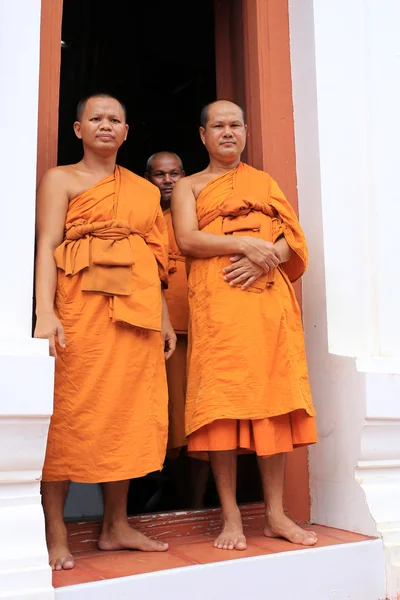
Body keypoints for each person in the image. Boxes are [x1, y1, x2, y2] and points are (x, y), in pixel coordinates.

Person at [34, 93, 176, 571]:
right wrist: (44, 312)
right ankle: (55, 528)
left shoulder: (141, 189)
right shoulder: (61, 179)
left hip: (135, 314)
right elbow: (47, 244)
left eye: (115, 119)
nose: (105, 125)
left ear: (126, 131)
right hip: (80, 311)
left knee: (128, 413)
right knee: (69, 412)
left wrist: (163, 317)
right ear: (78, 129)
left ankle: (116, 525)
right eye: (95, 118)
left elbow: (156, 258)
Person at [171, 99, 318, 551]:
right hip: (219, 312)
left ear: (246, 131)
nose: (228, 132)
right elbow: (188, 238)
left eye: (236, 125)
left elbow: (292, 235)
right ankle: (231, 518)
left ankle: (275, 514)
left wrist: (264, 255)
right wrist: (251, 247)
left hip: (266, 307)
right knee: (221, 406)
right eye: (218, 126)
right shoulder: (190, 186)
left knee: (272, 401)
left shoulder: (264, 182)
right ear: (203, 135)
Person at [144, 152, 209, 508]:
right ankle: (168, 498)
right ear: (148, 179)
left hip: (202, 327)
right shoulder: (147, 217)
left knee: (199, 419)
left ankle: (197, 505)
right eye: (159, 175)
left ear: (184, 176)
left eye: (173, 174)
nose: (167, 181)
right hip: (163, 333)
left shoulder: (198, 213)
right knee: (168, 417)